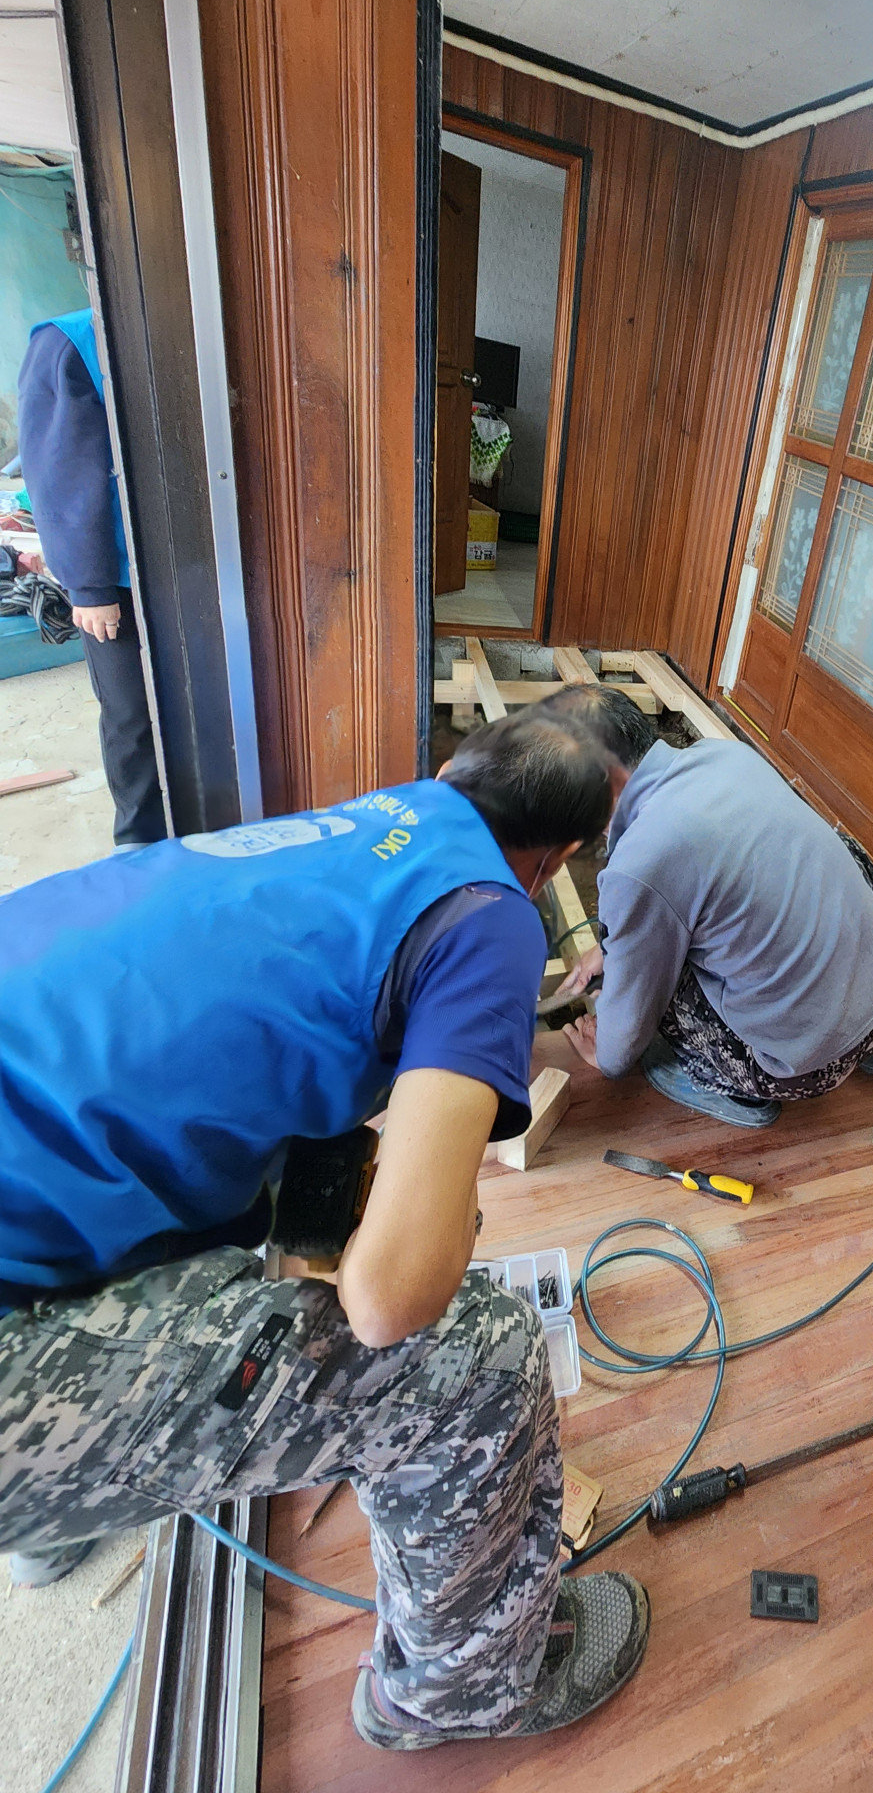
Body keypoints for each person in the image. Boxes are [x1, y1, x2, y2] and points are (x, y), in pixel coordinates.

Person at [0, 714, 653, 1751]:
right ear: (559, 857)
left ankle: (51, 1506)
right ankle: (460, 1690)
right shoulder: (492, 914)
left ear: (453, 770)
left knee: (300, 1166)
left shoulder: (375, 819)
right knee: (478, 1358)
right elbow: (388, 1300)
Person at [541, 685, 873, 1129]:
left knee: (660, 982)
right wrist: (616, 944)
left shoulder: (639, 863)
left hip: (805, 1069)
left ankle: (730, 1086)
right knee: (838, 853)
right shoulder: (728, 755)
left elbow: (623, 1043)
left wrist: (605, 1052)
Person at [17, 308, 166, 847]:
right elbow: (60, 474)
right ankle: (139, 839)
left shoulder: (185, 317)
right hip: (118, 576)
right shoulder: (69, 342)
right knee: (132, 713)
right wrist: (89, 587)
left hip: (194, 564)